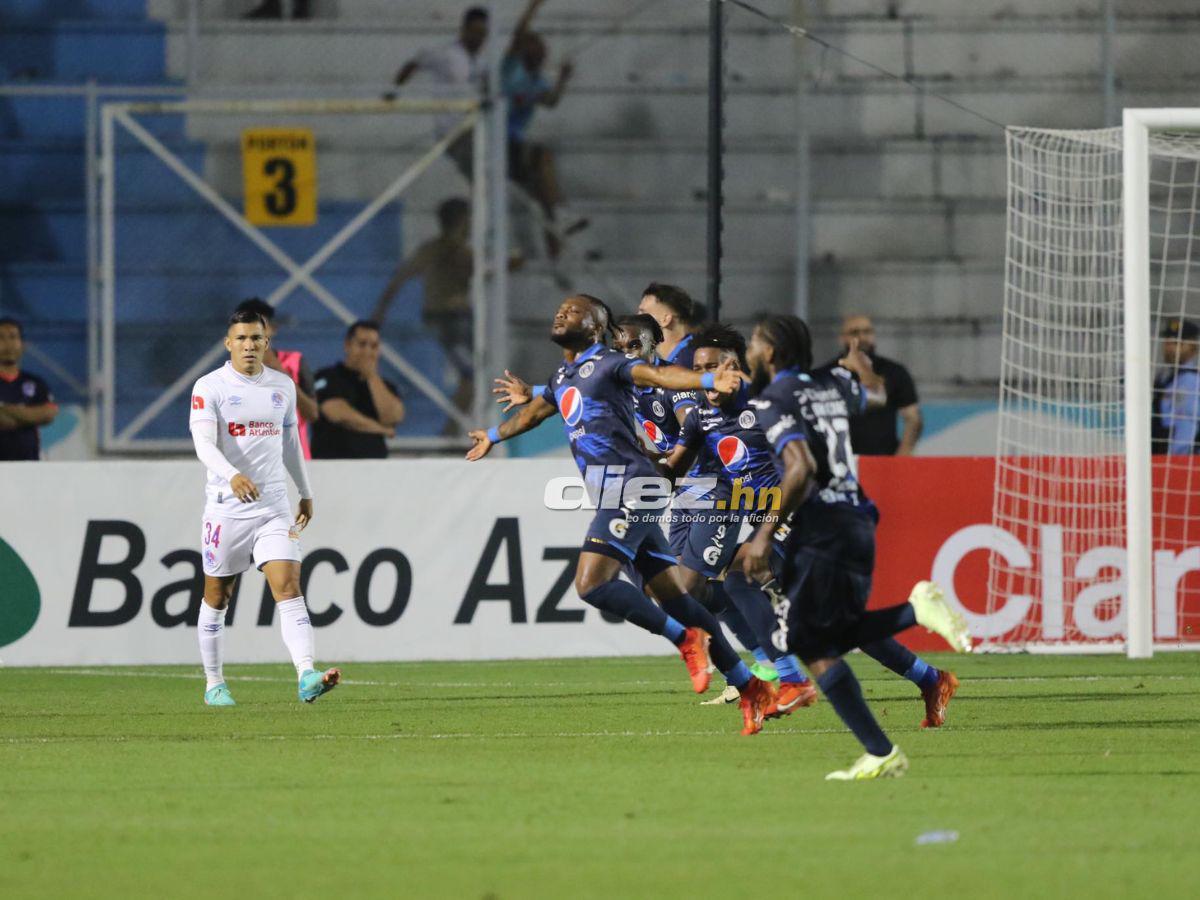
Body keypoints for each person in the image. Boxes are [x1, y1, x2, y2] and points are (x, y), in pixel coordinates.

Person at [467, 293, 776, 735]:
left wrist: (706, 383)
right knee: (678, 599)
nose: (562, 312)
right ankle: (749, 686)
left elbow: (658, 373)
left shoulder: (610, 362)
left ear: (597, 327)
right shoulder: (564, 374)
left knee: (591, 584)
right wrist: (493, 435)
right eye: (561, 308)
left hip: (630, 488)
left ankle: (686, 640)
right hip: (624, 493)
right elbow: (536, 412)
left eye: (574, 311)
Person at [742, 314, 971, 779]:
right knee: (820, 640)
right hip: (855, 519)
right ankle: (881, 751)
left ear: (769, 352)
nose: (749, 350)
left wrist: (763, 536)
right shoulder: (830, 387)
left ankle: (915, 612)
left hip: (824, 525)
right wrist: (861, 365)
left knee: (812, 640)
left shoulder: (775, 398)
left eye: (753, 343)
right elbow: (880, 396)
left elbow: (800, 467)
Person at [188, 307, 340, 707]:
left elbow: (290, 442)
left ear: (266, 343)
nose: (249, 345)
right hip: (226, 508)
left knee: (288, 587)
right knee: (217, 595)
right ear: (228, 343)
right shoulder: (210, 387)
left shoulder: (282, 386)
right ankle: (214, 683)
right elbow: (203, 444)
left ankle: (306, 674)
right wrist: (231, 475)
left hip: (273, 508)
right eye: (241, 338)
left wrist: (304, 491)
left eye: (256, 338)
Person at [371, 198, 474, 425]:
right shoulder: (439, 251)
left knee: (479, 374)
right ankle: (451, 430)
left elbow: (398, 280)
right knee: (473, 376)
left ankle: (455, 427)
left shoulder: (458, 252)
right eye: (468, 221)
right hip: (447, 321)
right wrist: (379, 313)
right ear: (460, 221)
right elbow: (399, 279)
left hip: (461, 320)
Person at [501, 0, 581, 256]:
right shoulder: (510, 69)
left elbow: (551, 101)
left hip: (515, 147)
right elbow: (518, 34)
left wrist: (562, 80)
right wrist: (533, 7)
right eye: (537, 49)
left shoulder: (539, 81)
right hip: (500, 142)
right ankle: (562, 213)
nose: (543, 53)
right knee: (543, 156)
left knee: (545, 201)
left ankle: (555, 257)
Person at [392, 6, 490, 178]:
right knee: (476, 168)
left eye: (482, 33)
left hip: (474, 128)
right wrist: (393, 90)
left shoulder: (483, 61)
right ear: (464, 30)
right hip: (451, 131)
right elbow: (414, 63)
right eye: (475, 32)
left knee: (483, 170)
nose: (478, 38)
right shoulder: (446, 53)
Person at [822, 314, 922, 456]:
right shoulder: (827, 375)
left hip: (883, 462)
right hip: (840, 462)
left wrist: (902, 457)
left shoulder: (894, 372)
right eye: (854, 332)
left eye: (867, 332)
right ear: (842, 338)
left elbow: (913, 418)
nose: (862, 338)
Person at [233, 298, 319, 460]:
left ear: (273, 329)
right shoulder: (230, 375)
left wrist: (281, 373)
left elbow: (312, 413)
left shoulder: (295, 362)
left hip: (295, 463)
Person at [311, 321, 405, 459]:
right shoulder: (326, 377)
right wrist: (380, 429)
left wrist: (372, 377)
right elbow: (337, 413)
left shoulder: (386, 386)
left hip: (375, 468)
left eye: (374, 346)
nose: (367, 351)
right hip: (332, 466)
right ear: (347, 345)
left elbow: (393, 417)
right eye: (362, 344)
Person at [0, 317, 58, 461]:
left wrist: (3, 408)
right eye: (1, 338)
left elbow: (48, 414)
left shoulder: (35, 382)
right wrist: (29, 417)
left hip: (29, 469)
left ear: (23, 345)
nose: (8, 345)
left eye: (13, 337)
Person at [1152, 317, 1200, 454]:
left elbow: (1187, 426)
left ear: (1192, 346)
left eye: (1177, 343)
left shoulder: (1191, 381)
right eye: (1168, 342)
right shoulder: (1167, 378)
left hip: (1179, 460)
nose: (1170, 348)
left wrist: (1177, 458)